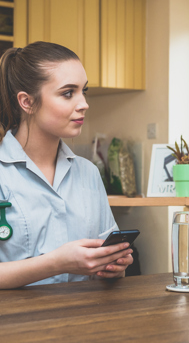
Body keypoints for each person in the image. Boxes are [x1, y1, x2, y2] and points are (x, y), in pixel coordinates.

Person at [0, 41, 133, 289]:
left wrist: (115, 265)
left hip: (84, 320)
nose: (83, 103)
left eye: (84, 91)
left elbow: (110, 260)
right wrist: (56, 263)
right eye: (68, 93)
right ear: (27, 102)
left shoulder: (88, 173)